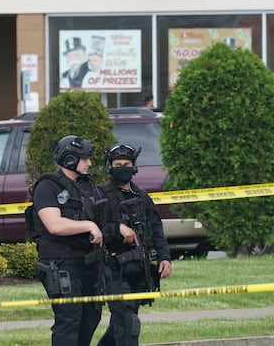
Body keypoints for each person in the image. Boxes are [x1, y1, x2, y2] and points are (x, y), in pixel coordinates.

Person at [28, 135, 107, 346]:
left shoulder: (87, 186)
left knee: (91, 316)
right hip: (60, 261)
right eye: (84, 158)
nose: (89, 163)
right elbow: (54, 225)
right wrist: (89, 226)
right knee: (69, 317)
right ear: (70, 159)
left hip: (88, 261)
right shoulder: (47, 186)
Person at [97, 143, 172, 346]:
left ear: (134, 166)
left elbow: (157, 230)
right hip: (113, 270)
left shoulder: (142, 197)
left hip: (138, 269)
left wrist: (165, 257)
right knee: (128, 322)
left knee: (121, 324)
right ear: (110, 166)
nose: (123, 167)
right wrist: (117, 228)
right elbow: (91, 230)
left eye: (127, 163)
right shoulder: (100, 195)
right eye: (118, 164)